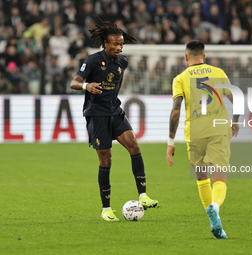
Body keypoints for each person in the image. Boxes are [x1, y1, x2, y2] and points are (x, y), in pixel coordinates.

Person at [70, 17, 158, 222]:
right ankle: (106, 209)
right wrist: (87, 86)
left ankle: (143, 195)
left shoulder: (122, 62)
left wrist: (114, 101)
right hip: (97, 115)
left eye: (121, 44)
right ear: (106, 44)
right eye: (116, 44)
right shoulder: (92, 60)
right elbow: (74, 82)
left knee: (134, 146)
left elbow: (118, 82)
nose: (119, 47)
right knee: (106, 159)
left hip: (115, 111)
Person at [166, 40, 239, 239]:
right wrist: (236, 122)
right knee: (220, 179)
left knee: (201, 178)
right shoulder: (218, 73)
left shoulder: (180, 78)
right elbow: (237, 99)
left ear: (186, 57)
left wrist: (170, 143)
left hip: (194, 132)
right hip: (218, 130)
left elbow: (175, 111)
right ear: (204, 57)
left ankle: (215, 222)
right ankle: (215, 207)